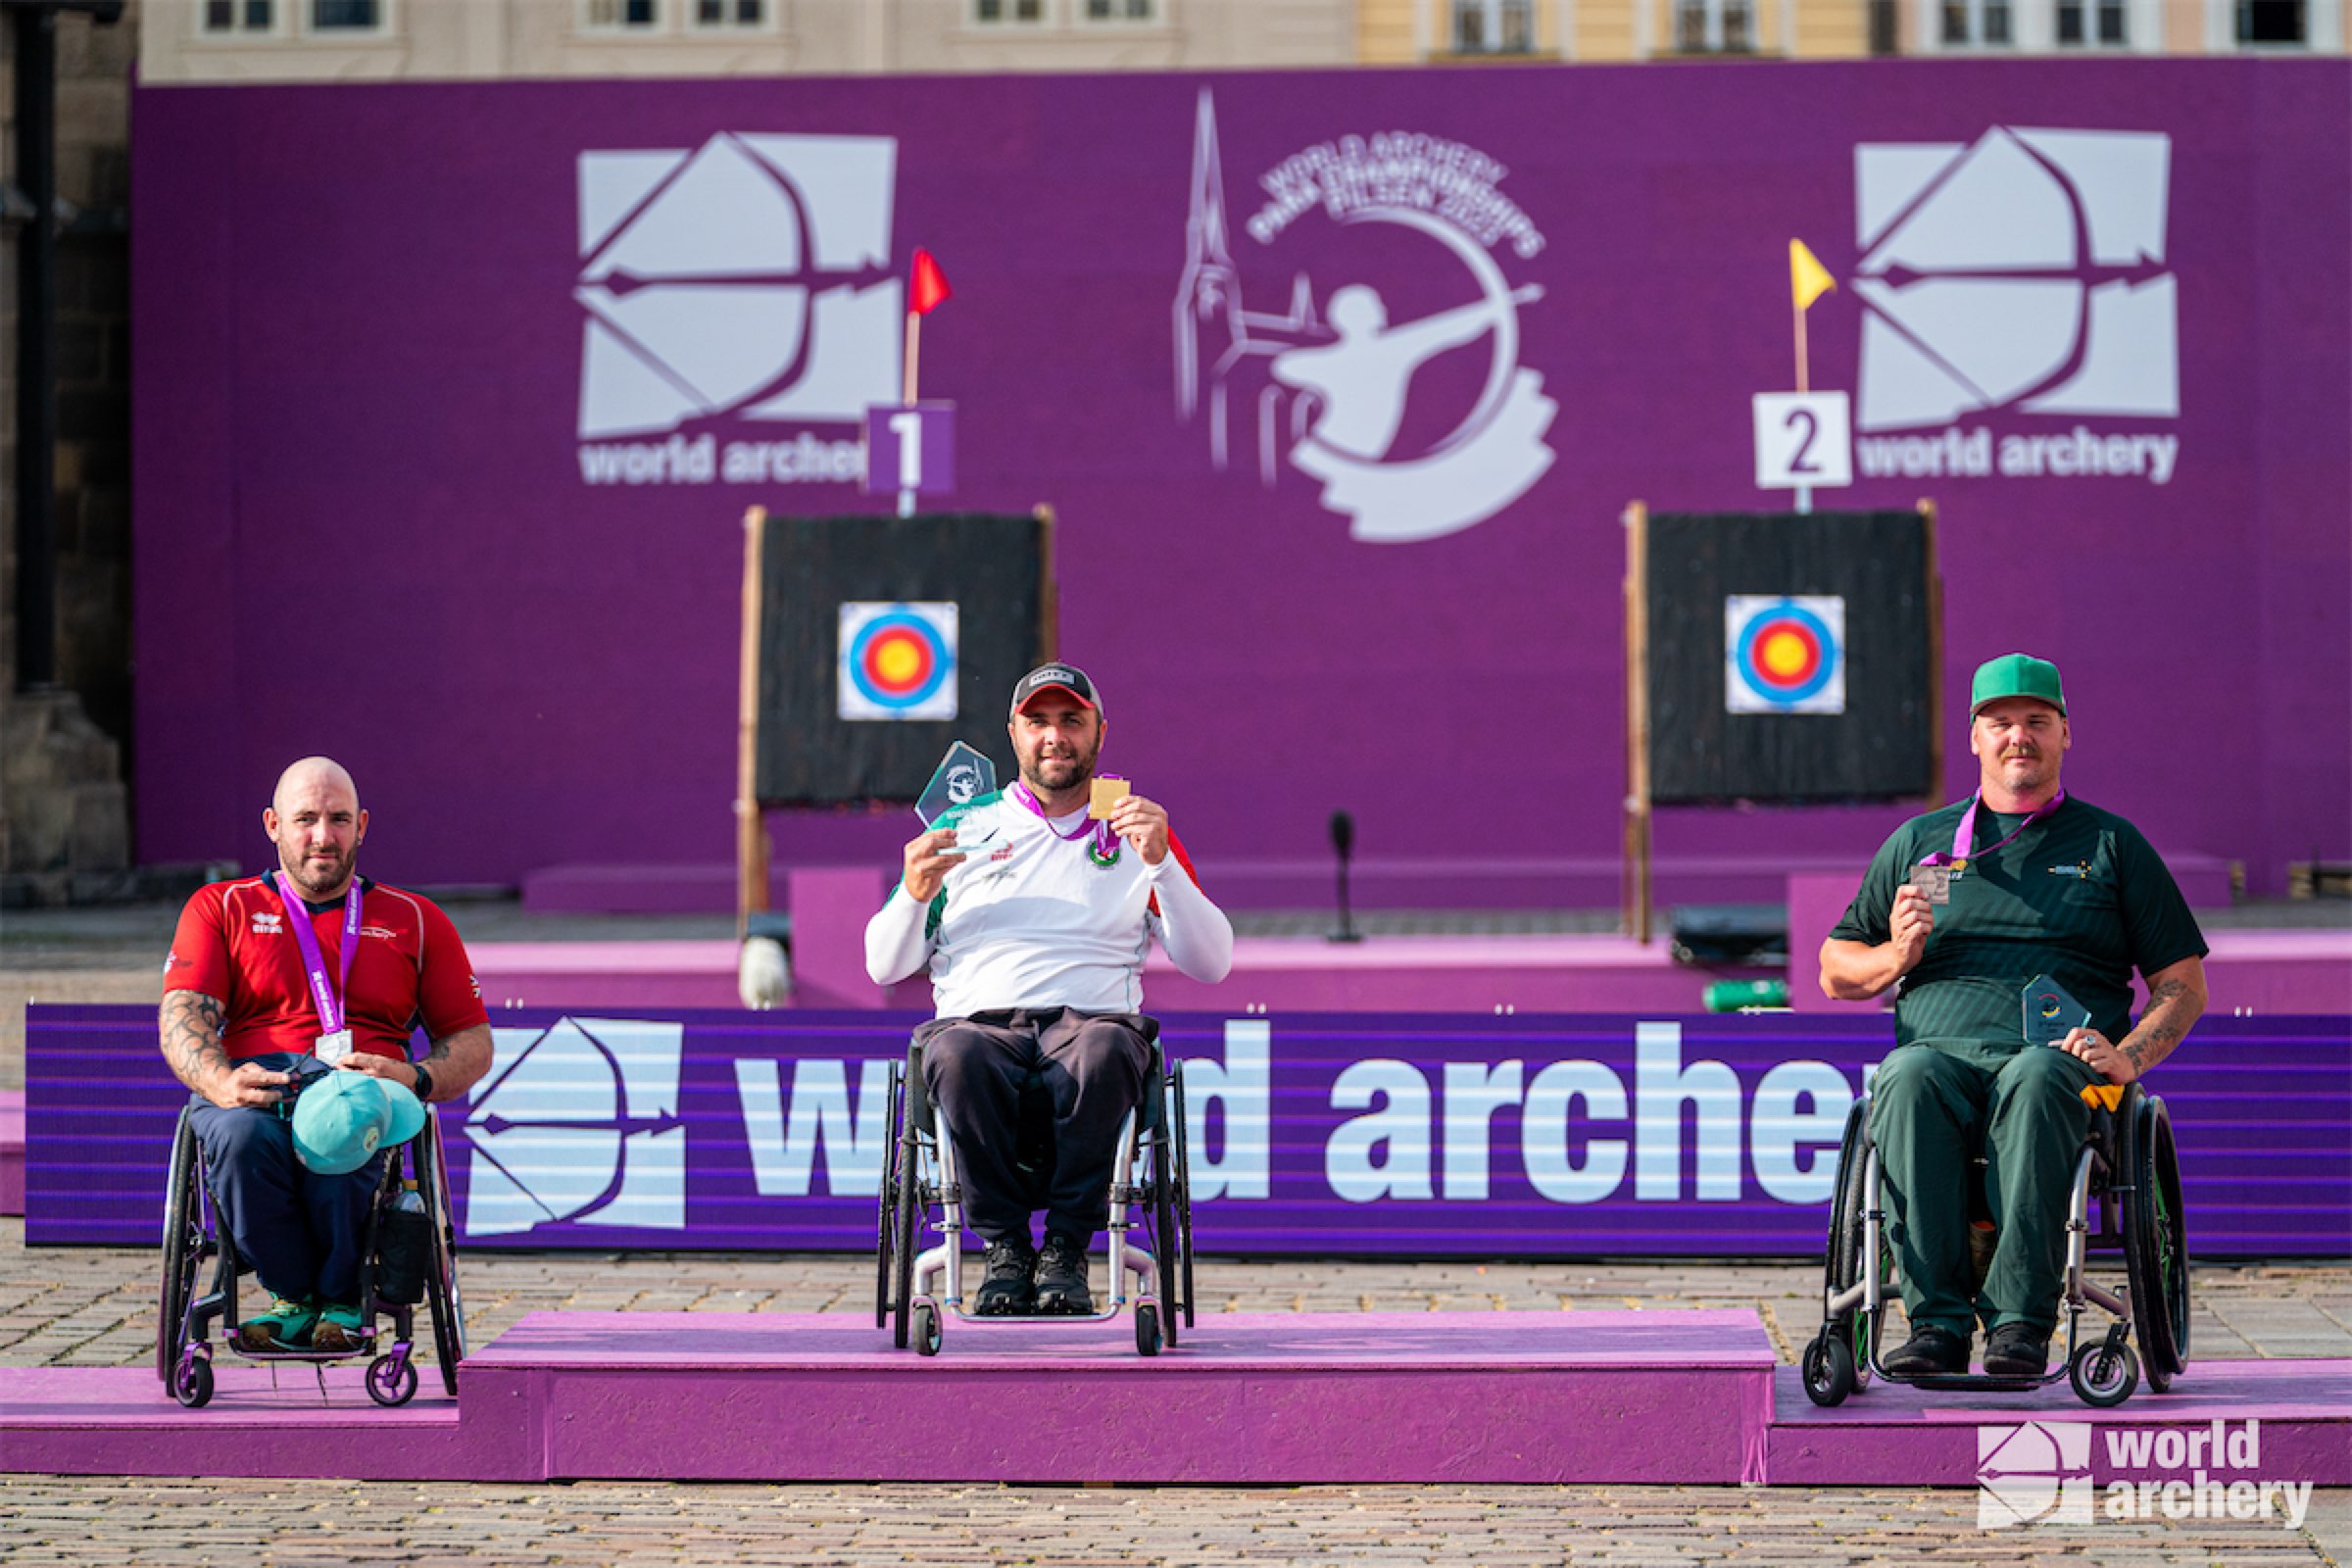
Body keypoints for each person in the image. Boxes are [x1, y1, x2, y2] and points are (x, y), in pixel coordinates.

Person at [1819, 654, 2208, 1378]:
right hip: (1941, 1059)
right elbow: (1836, 966)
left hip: (2057, 1064)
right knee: (1904, 1075)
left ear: (2065, 734)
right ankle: (1934, 1326)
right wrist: (1895, 958)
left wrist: (2130, 1058)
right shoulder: (1928, 850)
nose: (2017, 737)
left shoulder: (2110, 846)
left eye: (2036, 722)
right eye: (2000, 723)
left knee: (2034, 1076)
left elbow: (2183, 984)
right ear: (1975, 737)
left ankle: (2018, 1328)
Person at [863, 663, 1234, 1315]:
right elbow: (883, 966)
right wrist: (913, 896)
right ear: (1014, 732)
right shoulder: (963, 824)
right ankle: (1005, 1249)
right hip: (978, 1026)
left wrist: (1164, 866)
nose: (1054, 737)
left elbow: (1211, 963)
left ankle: (1065, 1248)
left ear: (1099, 732)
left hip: (1093, 1023)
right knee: (956, 1055)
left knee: (1103, 1050)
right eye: (1038, 722)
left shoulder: (1135, 826)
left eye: (1071, 721)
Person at [160, 758, 493, 1351]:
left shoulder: (416, 919)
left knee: (348, 1120)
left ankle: (343, 1297)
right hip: (257, 1083)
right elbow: (182, 1017)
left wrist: (416, 1075)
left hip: (362, 1084)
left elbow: (471, 1040)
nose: (323, 836)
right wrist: (219, 1082)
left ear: (362, 825)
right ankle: (291, 1296)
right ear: (272, 825)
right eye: (306, 818)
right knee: (238, 1138)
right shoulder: (221, 907)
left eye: (339, 819)